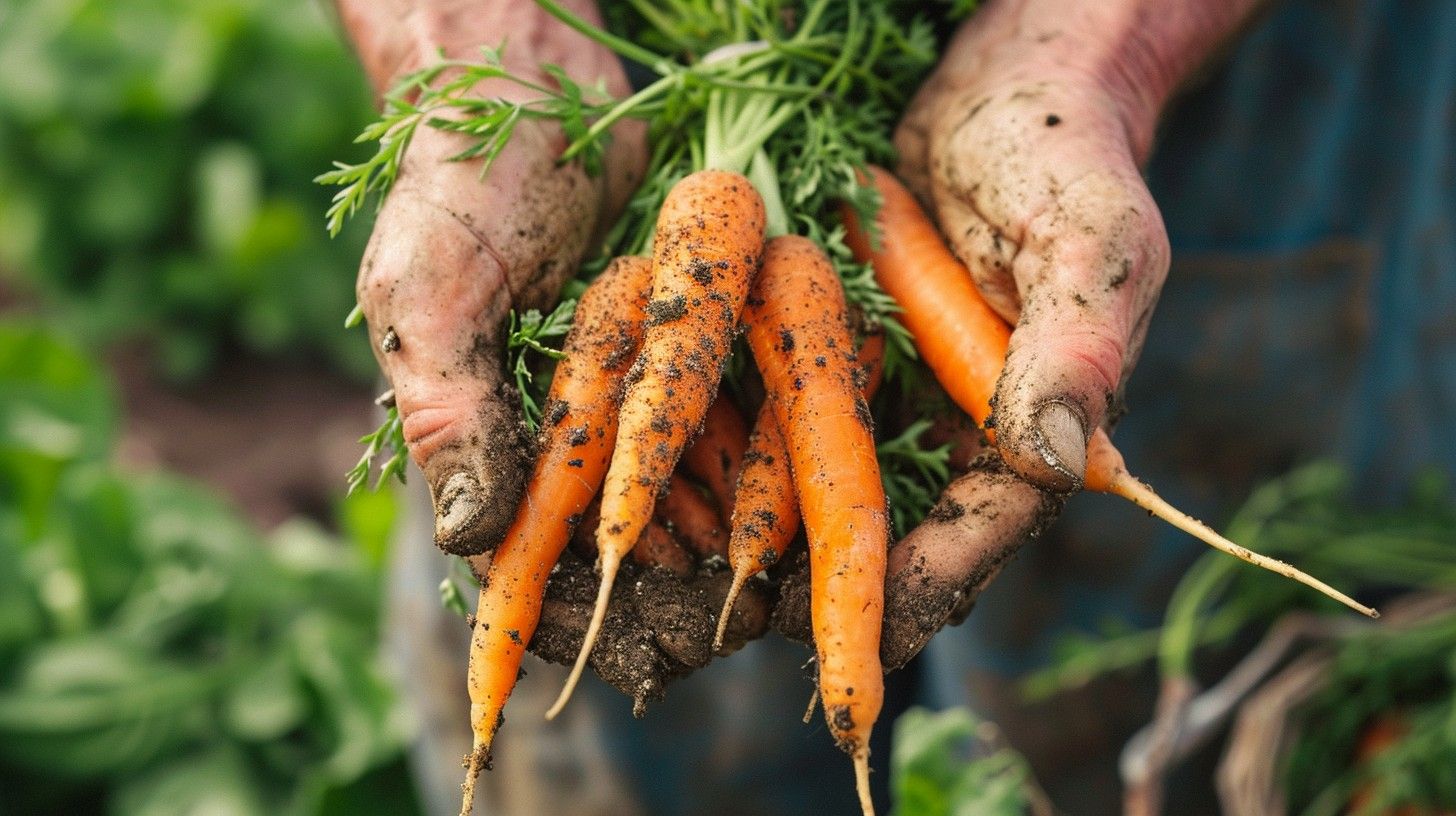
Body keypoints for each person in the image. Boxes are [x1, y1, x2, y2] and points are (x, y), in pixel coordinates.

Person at [333, 0, 1456, 813]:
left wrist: (1093, 52)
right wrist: (483, 44)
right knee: (626, 724)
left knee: (1141, 724)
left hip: (1236, 93)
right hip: (596, 106)